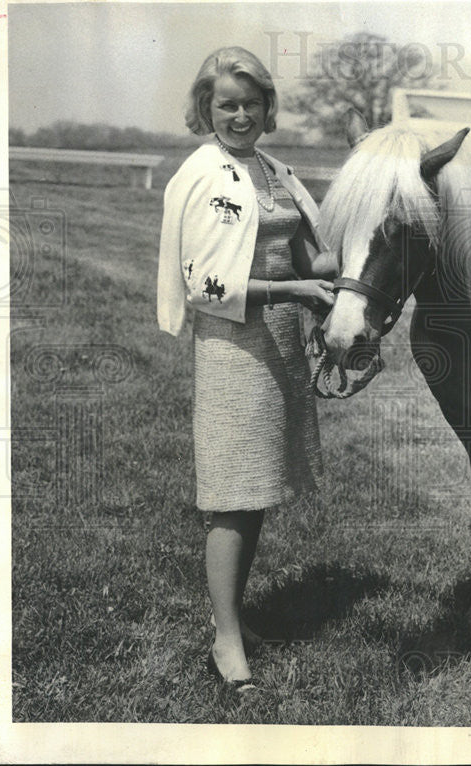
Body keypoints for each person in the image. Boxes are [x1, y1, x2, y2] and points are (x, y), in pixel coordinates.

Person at [157, 46, 337, 690]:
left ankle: (234, 618)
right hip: (234, 347)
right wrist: (295, 293)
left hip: (282, 344)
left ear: (267, 108)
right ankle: (226, 639)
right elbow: (204, 285)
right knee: (233, 496)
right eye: (225, 104)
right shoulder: (205, 174)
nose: (239, 115)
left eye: (250, 103)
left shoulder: (272, 169)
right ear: (205, 107)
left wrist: (353, 284)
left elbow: (311, 257)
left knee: (258, 491)